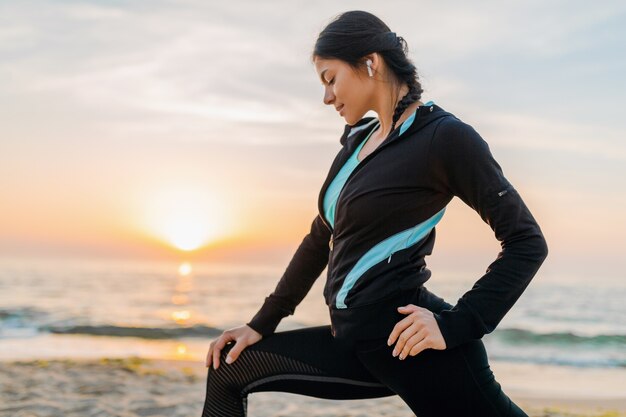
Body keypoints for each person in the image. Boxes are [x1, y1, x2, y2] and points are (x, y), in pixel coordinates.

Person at [201, 10, 548, 417]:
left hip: (412, 345)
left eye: (331, 79)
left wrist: (457, 324)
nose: (326, 97)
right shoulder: (357, 143)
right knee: (229, 369)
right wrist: (262, 323)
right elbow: (320, 238)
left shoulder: (444, 138)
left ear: (370, 63)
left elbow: (527, 242)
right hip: (353, 344)